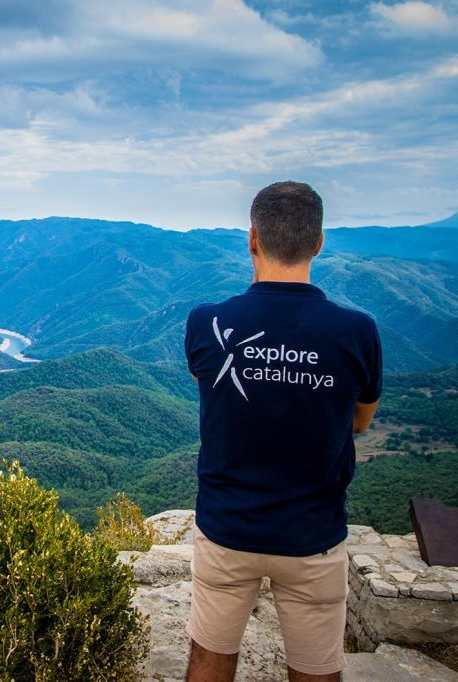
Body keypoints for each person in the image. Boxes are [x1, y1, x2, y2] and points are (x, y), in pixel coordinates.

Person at [183, 182, 382, 682]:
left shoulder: (207, 323)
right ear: (318, 243)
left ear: (252, 239)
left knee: (209, 659)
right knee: (317, 671)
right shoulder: (357, 332)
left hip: (227, 528)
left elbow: (211, 391)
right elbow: (359, 422)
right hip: (312, 534)